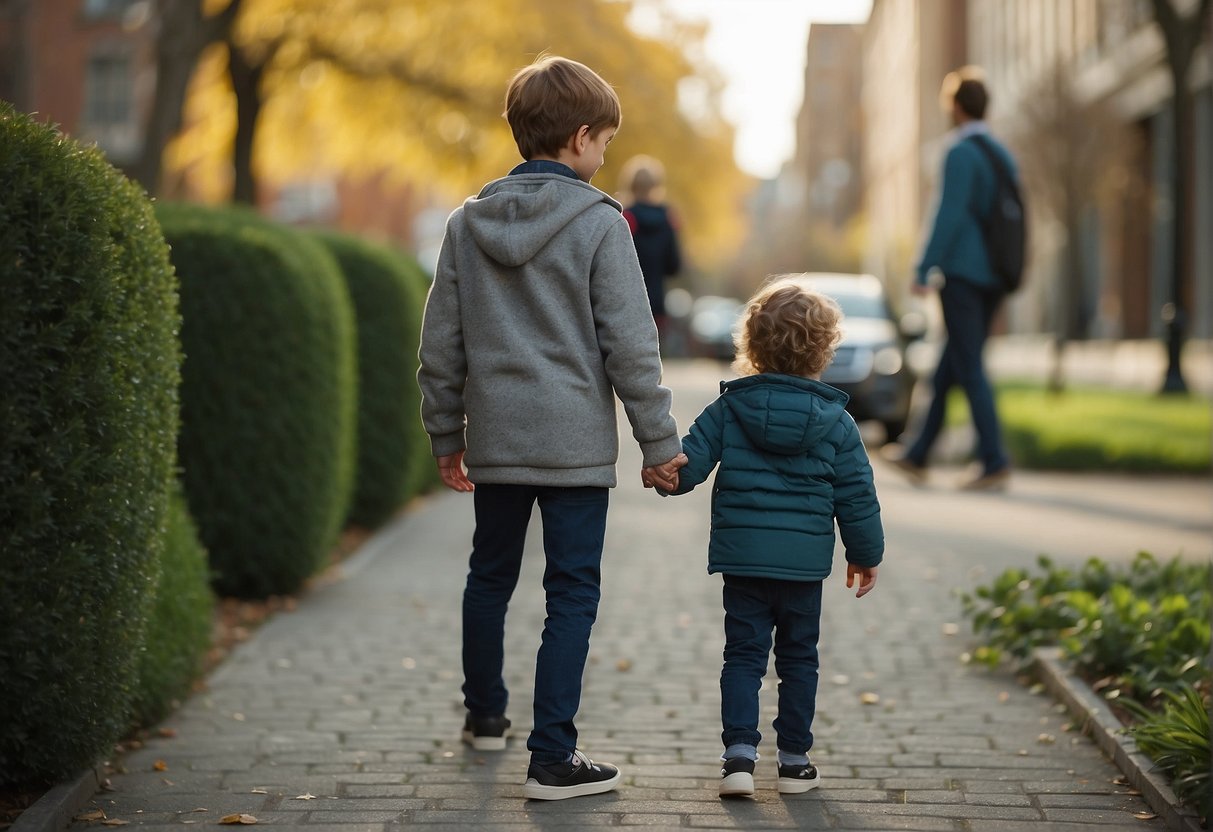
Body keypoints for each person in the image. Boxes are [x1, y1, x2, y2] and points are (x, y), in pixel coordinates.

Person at [416, 54, 687, 802]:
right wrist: (659, 446)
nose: (605, 157)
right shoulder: (601, 224)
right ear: (577, 138)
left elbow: (439, 344)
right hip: (572, 449)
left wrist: (446, 433)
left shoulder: (465, 224)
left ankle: (484, 719)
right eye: (603, 142)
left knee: (489, 577)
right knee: (570, 593)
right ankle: (552, 758)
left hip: (497, 441)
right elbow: (631, 347)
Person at [655, 276, 884, 797]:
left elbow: (687, 467)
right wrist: (865, 554)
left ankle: (738, 757)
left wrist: (664, 476)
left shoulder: (728, 410)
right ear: (823, 351)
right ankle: (795, 761)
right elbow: (857, 495)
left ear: (751, 347)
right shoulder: (838, 422)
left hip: (744, 562)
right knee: (799, 659)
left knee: (743, 657)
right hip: (803, 570)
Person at [888, 67, 1014, 491]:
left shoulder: (960, 152)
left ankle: (994, 460)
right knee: (953, 363)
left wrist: (924, 267)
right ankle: (918, 453)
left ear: (956, 108)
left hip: (963, 274)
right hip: (995, 275)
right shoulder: (1000, 153)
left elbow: (949, 213)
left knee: (970, 365)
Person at [618, 155, 682, 341]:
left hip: (626, 303)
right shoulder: (668, 218)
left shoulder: (626, 217)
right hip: (656, 304)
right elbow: (674, 266)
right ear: (656, 186)